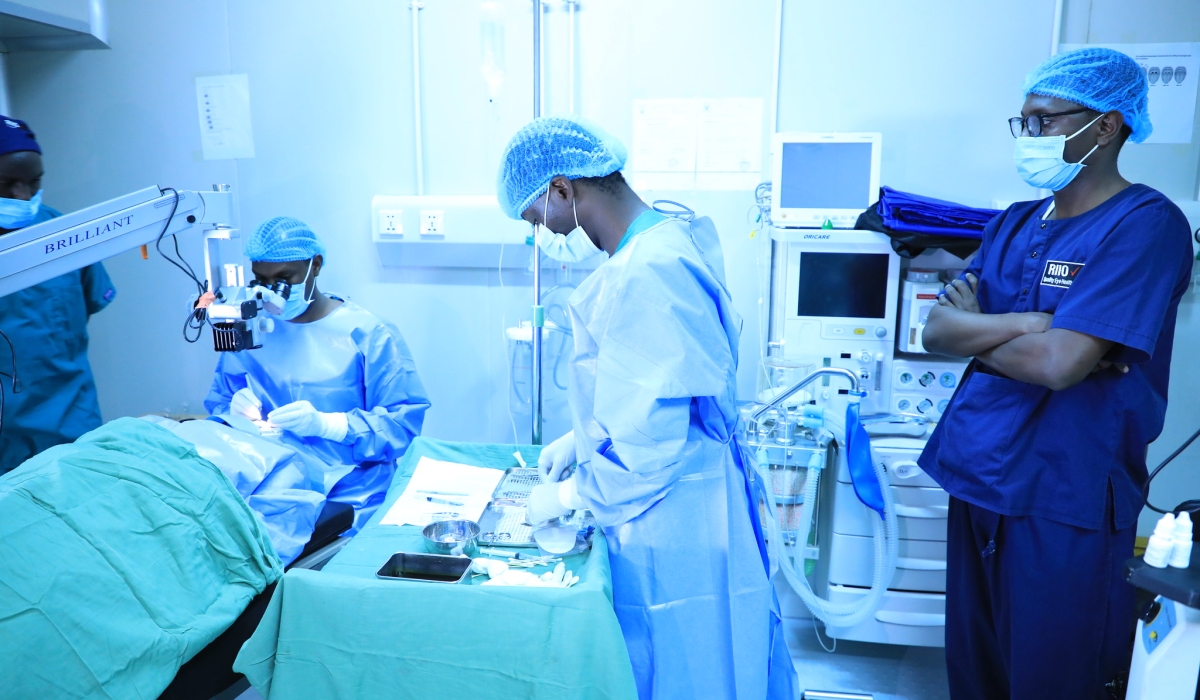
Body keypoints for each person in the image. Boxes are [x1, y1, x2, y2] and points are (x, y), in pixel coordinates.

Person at [920, 48, 1193, 699]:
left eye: (1043, 121)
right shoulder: (1015, 223)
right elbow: (936, 331)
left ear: (1104, 127)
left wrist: (988, 333)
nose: (1030, 137)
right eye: (1024, 123)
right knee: (977, 676)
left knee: (1052, 681)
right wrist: (1036, 324)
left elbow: (1059, 365)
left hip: (1064, 496)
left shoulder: (1146, 226)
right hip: (979, 479)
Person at [498, 117, 796, 700]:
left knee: (688, 671)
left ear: (562, 189)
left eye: (537, 217)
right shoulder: (665, 239)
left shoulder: (646, 272)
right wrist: (581, 441)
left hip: (674, 510)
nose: (544, 233)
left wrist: (569, 496)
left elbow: (648, 443)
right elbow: (656, 392)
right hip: (689, 491)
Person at [205, 217, 430, 531]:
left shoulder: (368, 333)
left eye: (284, 278)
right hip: (266, 489)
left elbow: (402, 425)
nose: (272, 292)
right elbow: (219, 407)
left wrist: (331, 425)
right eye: (261, 280)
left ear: (316, 265)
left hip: (348, 498)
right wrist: (233, 414)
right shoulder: (252, 327)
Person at [0, 116, 115, 475]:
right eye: (7, 184)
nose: (24, 196)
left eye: (34, 183)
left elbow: (86, 306)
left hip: (70, 420)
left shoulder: (63, 235)